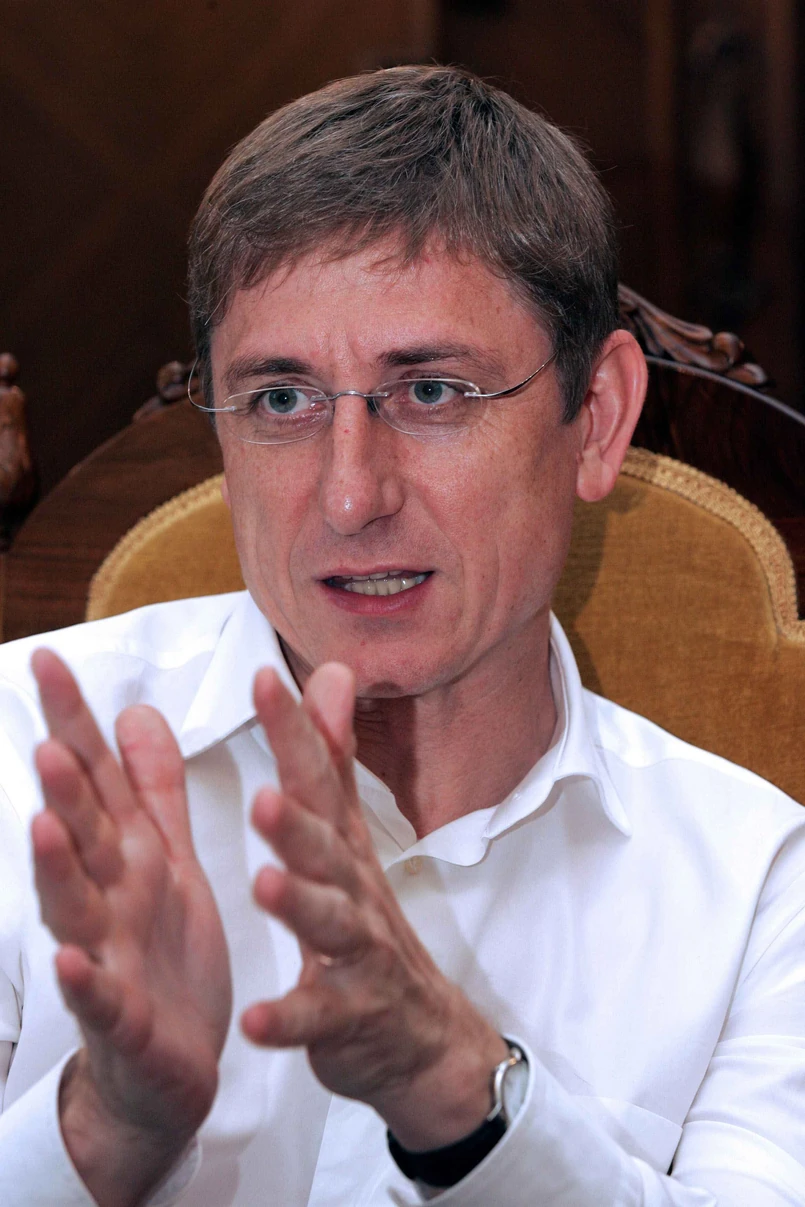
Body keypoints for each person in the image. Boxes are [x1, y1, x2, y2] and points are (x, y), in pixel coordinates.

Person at [0, 65, 804, 1207]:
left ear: (595, 419)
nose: (349, 496)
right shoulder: (19, 754)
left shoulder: (760, 889)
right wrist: (106, 1123)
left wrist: (459, 1090)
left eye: (430, 391)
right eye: (281, 400)